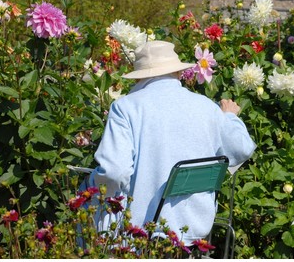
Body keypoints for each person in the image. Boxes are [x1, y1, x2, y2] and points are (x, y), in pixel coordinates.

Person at [81, 40, 256, 245]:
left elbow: (114, 173)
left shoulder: (126, 107)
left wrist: (90, 185)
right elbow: (242, 149)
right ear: (178, 73)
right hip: (194, 235)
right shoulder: (207, 107)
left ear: (139, 77)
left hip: (139, 236)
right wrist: (229, 117)